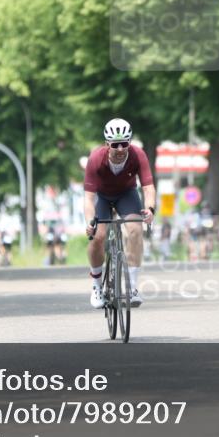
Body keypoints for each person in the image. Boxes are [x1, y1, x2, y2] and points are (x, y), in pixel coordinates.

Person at [84, 118, 155, 308]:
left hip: (126, 194)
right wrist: (89, 222)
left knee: (135, 231)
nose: (121, 148)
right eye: (115, 144)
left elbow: (148, 188)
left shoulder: (138, 155)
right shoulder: (96, 159)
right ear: (107, 144)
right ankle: (97, 285)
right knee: (98, 236)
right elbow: (88, 198)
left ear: (130, 142)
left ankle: (132, 288)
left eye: (124, 143)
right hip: (101, 197)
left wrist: (150, 209)